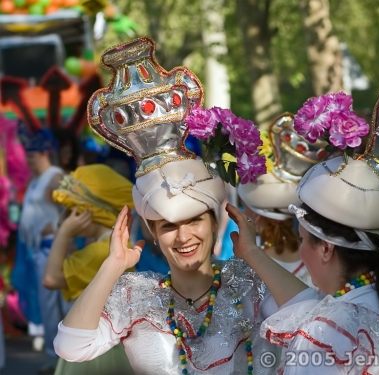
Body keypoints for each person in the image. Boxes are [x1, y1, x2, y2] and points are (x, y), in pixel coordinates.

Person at [226, 63, 379, 374]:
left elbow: (318, 317)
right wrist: (252, 253)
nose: (301, 253)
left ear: (326, 248)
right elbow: (308, 305)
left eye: (304, 239)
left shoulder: (326, 334)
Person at [53, 37, 279, 374]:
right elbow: (70, 346)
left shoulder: (249, 284)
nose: (183, 236)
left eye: (193, 220)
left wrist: (255, 255)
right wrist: (114, 264)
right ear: (154, 234)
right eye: (168, 226)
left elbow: (311, 314)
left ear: (215, 222)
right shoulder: (135, 296)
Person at [43, 164, 136, 375]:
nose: (68, 216)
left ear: (87, 211)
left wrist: (63, 231)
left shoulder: (100, 252)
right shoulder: (105, 248)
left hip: (96, 353)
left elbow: (50, 279)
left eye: (72, 209)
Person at [238, 114, 330, 287]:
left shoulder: (248, 264)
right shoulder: (320, 261)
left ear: (257, 216)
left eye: (245, 208)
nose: (243, 213)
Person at [11, 124, 69, 374]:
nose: (29, 161)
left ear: (45, 154)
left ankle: (64, 359)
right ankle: (53, 356)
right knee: (46, 306)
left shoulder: (56, 176)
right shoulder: (36, 179)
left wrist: (58, 229)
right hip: (37, 250)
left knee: (59, 305)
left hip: (53, 249)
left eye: (32, 156)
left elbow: (75, 207)